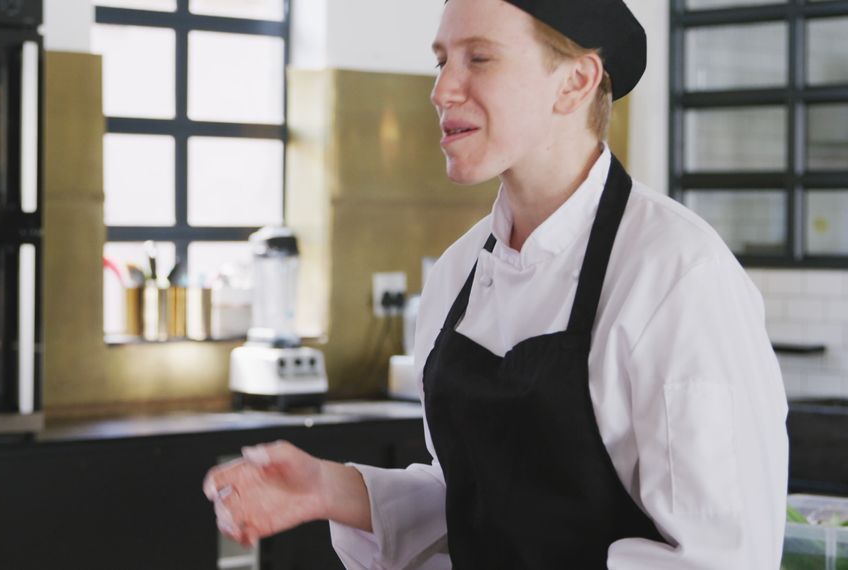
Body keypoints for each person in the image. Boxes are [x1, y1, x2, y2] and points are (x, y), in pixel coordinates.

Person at [203, 0, 790, 567]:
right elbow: (481, 502)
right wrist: (332, 490)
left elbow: (720, 556)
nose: (441, 89)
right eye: (442, 60)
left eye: (478, 58)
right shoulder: (458, 274)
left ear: (575, 82)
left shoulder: (678, 278)